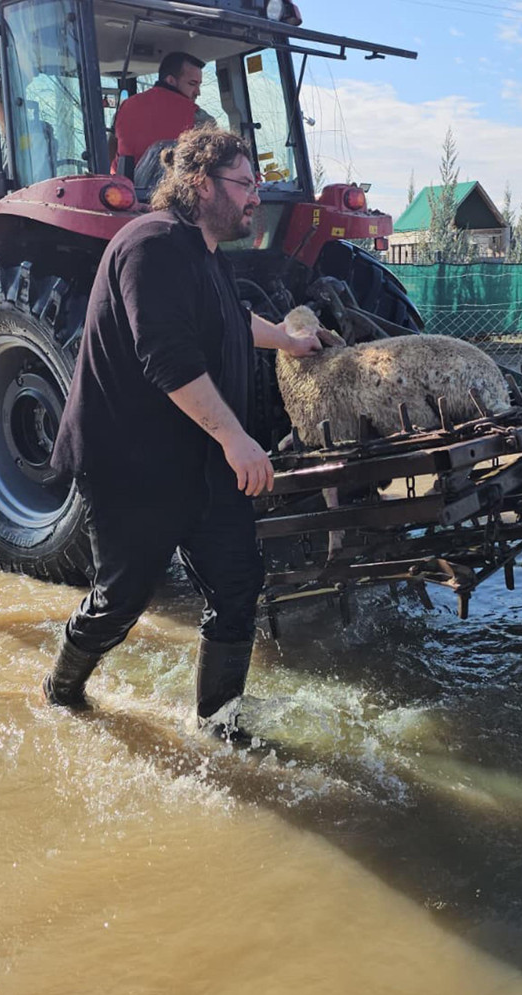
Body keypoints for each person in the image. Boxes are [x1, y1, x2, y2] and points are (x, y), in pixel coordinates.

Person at [43, 125, 322, 734]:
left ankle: (220, 728)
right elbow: (166, 359)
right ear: (201, 182)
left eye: (257, 185)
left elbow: (231, 317)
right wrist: (237, 437)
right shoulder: (151, 245)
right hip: (132, 466)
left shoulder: (206, 254)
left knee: (238, 584)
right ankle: (60, 693)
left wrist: (290, 340)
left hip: (198, 459)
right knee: (121, 601)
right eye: (245, 184)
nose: (255, 198)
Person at [110, 51, 207, 170]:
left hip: (122, 187)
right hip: (174, 187)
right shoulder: (198, 117)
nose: (198, 92)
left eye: (199, 85)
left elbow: (109, 151)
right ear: (171, 80)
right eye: (192, 84)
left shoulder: (124, 108)